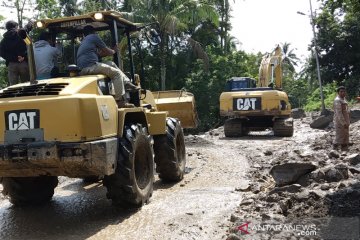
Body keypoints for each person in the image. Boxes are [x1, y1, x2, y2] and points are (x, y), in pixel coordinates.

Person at [76, 25, 139, 107]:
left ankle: (126, 82)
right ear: (93, 32)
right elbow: (107, 51)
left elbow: (100, 55)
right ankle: (120, 101)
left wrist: (111, 51)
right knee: (116, 74)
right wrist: (114, 51)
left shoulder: (84, 42)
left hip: (84, 68)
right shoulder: (93, 37)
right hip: (91, 66)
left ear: (84, 34)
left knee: (111, 63)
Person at [0, 20, 30, 85]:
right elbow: (27, 28)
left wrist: (14, 58)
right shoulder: (21, 34)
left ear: (7, 28)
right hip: (23, 63)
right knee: (27, 85)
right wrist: (23, 57)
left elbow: (1, 53)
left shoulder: (4, 40)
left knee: (13, 86)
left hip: (11, 64)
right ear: (16, 26)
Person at [333, 86, 350, 151]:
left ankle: (344, 149)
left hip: (345, 120)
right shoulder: (337, 100)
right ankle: (334, 150)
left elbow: (346, 110)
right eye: (341, 91)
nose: (343, 93)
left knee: (345, 134)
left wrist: (347, 121)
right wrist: (344, 123)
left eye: (344, 91)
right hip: (339, 121)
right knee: (340, 135)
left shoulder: (343, 99)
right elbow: (339, 113)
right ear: (338, 93)